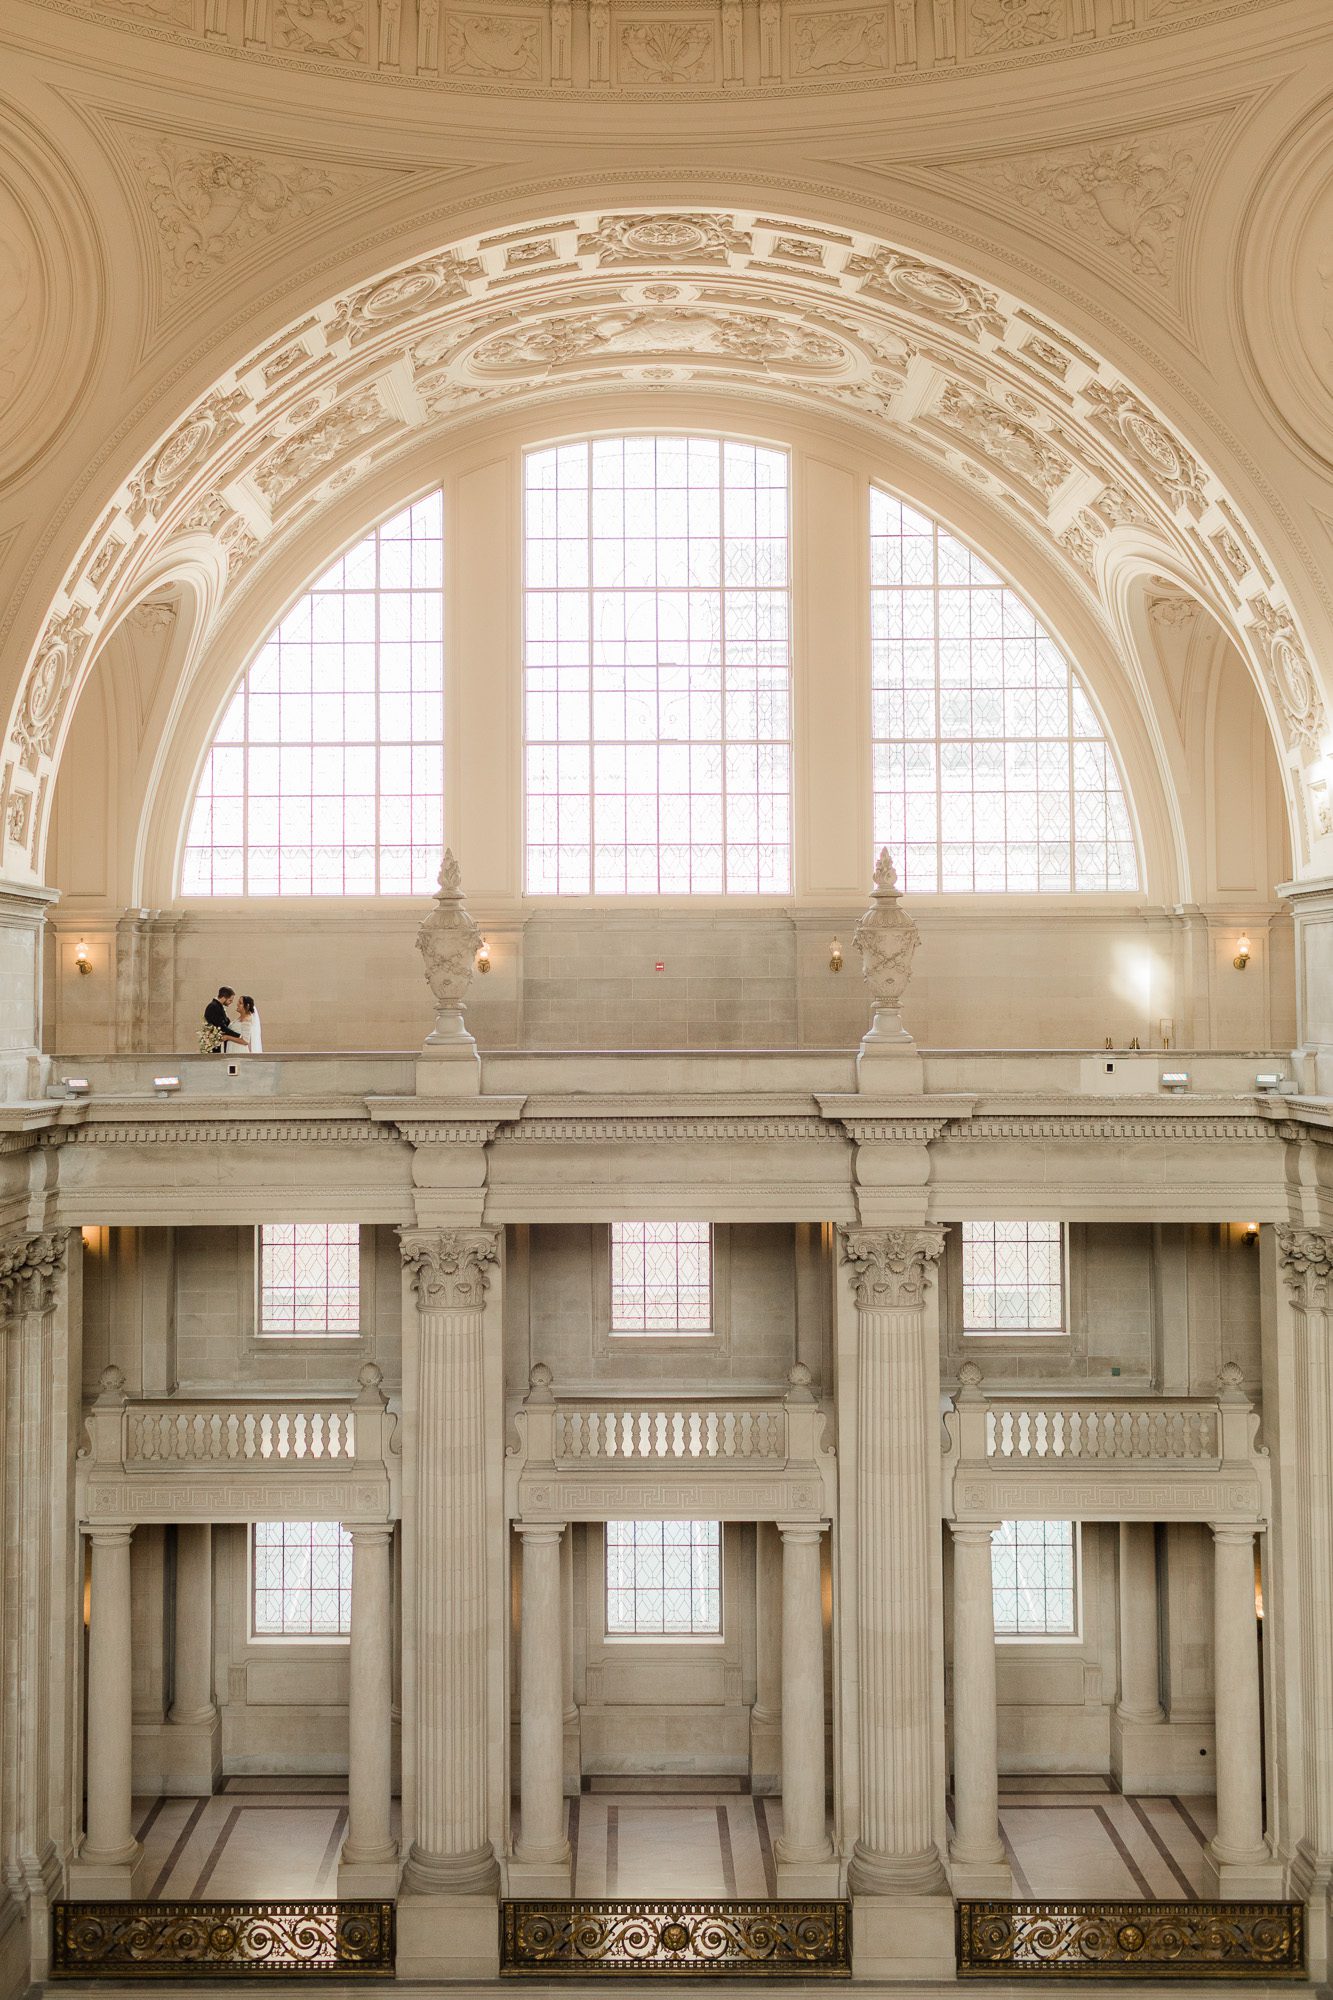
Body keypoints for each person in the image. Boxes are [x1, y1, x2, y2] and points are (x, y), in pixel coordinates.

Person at [202, 987, 244, 1052]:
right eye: (230, 1000)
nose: (231, 1002)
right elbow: (221, 1026)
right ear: (224, 998)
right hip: (213, 1045)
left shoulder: (218, 1006)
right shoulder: (213, 1007)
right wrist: (239, 1036)